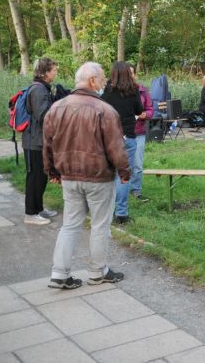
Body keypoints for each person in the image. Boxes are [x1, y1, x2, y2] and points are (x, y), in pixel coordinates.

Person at [43, 62, 130, 289]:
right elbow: (116, 148)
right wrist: (124, 171)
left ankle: (59, 274)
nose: (104, 85)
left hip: (69, 177)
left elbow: (48, 145)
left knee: (70, 225)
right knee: (100, 225)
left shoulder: (56, 108)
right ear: (92, 81)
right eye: (102, 80)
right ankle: (98, 271)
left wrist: (52, 171)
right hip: (98, 177)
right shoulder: (105, 110)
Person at [102, 62, 144, 225]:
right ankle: (121, 213)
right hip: (128, 137)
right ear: (128, 74)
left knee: (109, 175)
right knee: (124, 176)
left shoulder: (107, 92)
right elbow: (139, 111)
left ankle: (107, 209)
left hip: (109, 138)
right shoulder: (133, 91)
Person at [22, 58, 59, 225]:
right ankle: (30, 214)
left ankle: (39, 208)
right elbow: (43, 116)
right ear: (45, 73)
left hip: (40, 141)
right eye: (53, 70)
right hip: (33, 142)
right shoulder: (38, 90)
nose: (55, 72)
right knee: (34, 177)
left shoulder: (43, 88)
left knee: (42, 177)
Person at [130, 66, 154, 202]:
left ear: (135, 75)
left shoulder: (143, 91)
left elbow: (151, 110)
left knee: (137, 164)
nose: (129, 76)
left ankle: (136, 191)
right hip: (121, 133)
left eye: (131, 73)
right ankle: (121, 190)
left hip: (138, 132)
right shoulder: (116, 92)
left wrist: (142, 115)